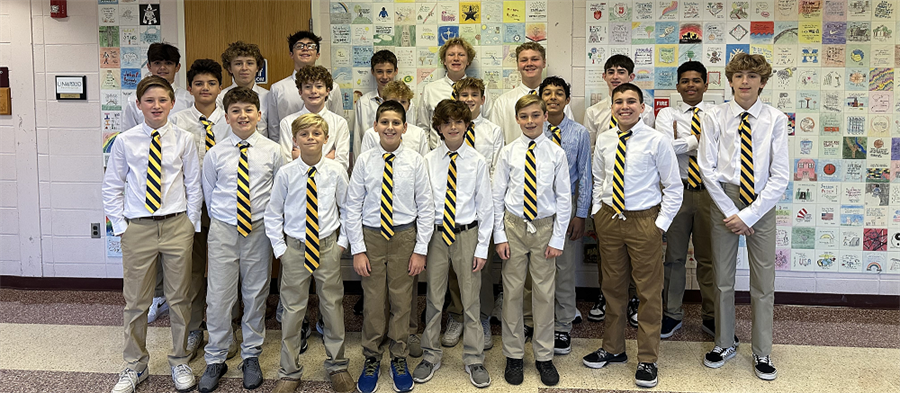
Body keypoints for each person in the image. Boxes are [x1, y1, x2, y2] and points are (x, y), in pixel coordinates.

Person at [103, 76, 202, 393]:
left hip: (176, 225)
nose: (156, 106)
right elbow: (112, 187)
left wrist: (190, 224)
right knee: (136, 301)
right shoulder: (125, 141)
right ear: (139, 104)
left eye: (162, 100)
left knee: (179, 298)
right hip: (139, 227)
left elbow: (194, 185)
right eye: (149, 100)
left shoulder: (185, 139)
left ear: (172, 103)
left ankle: (179, 360)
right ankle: (134, 365)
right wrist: (122, 227)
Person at [580, 83, 682, 389]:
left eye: (631, 101)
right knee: (612, 287)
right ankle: (613, 349)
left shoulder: (656, 141)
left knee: (649, 292)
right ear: (612, 107)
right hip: (610, 220)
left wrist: (659, 224)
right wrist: (599, 211)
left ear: (642, 107)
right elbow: (599, 177)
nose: (625, 106)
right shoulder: (606, 140)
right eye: (619, 101)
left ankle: (648, 359)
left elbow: (673, 187)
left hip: (644, 222)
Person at [698, 53, 788, 381]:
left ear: (762, 82)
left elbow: (780, 175)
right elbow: (707, 169)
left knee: (763, 282)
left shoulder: (775, 119)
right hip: (724, 200)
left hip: (761, 204)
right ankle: (724, 342)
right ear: (730, 80)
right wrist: (732, 212)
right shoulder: (714, 116)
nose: (745, 81)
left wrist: (749, 214)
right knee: (722, 278)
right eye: (739, 76)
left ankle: (762, 350)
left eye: (752, 76)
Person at [197, 87, 284, 392]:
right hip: (223, 229)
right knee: (219, 297)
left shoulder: (273, 151)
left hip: (258, 229)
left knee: (255, 293)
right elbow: (209, 194)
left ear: (259, 115)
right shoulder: (215, 153)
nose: (243, 116)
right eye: (236, 111)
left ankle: (251, 354)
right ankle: (216, 357)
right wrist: (226, 220)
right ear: (226, 116)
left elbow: (278, 193)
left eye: (249, 110)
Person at [346, 101, 434, 393]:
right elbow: (352, 207)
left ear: (405, 128)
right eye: (384, 122)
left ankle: (399, 357)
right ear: (375, 126)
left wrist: (420, 249)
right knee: (372, 300)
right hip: (371, 236)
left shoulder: (415, 161)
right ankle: (371, 357)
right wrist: (358, 249)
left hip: (404, 236)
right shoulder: (365, 160)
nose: (390, 127)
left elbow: (426, 207)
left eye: (396, 122)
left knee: (401, 299)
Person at [266, 114, 354, 393]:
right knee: (292, 309)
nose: (311, 138)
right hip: (295, 248)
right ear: (295, 140)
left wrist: (342, 244)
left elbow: (348, 210)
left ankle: (338, 365)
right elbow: (273, 213)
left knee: (332, 305)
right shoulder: (286, 173)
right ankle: (289, 371)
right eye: (304, 134)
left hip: (327, 245)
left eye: (317, 133)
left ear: (326, 138)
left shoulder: (336, 171)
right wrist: (280, 250)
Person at [413, 99, 493, 388]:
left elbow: (486, 208)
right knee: (434, 299)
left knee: (471, 301)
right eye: (447, 123)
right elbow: (423, 205)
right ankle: (431, 354)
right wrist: (420, 247)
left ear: (466, 126)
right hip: (436, 235)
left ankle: (473, 358)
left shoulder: (477, 161)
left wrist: (482, 247)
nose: (453, 127)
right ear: (438, 127)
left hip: (467, 234)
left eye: (458, 122)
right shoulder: (428, 161)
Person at [493, 95, 571, 387]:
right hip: (513, 226)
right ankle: (514, 355)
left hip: (544, 229)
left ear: (544, 116)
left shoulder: (555, 153)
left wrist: (558, 238)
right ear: (517, 119)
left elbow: (563, 198)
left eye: (535, 115)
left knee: (543, 293)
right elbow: (496, 196)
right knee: (512, 292)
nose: (530, 121)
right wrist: (499, 236)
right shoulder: (508, 152)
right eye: (524, 116)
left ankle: (543, 356)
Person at [582, 54, 652, 326]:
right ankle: (605, 295)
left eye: (621, 71)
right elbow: (590, 154)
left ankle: (634, 298)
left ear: (631, 77)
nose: (615, 76)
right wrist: (596, 204)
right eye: (610, 71)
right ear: (604, 77)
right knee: (607, 253)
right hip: (608, 196)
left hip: (637, 197)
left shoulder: (644, 111)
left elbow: (651, 150)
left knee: (637, 255)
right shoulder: (594, 112)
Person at [169, 59, 229, 360]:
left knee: (223, 270)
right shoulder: (178, 120)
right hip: (189, 204)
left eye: (212, 83)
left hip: (224, 205)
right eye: (199, 83)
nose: (205, 88)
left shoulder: (230, 118)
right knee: (192, 270)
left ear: (220, 87)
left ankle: (225, 329)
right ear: (190, 87)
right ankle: (194, 329)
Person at [653, 61, 716, 339]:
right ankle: (672, 314)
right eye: (685, 81)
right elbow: (666, 147)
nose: (691, 85)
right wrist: (699, 140)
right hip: (677, 193)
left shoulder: (717, 113)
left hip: (710, 194)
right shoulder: (667, 114)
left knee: (709, 259)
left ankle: (713, 317)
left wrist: (685, 141)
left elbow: (720, 149)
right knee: (674, 258)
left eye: (696, 80)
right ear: (678, 86)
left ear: (706, 84)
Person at [441, 77, 504, 350]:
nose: (468, 98)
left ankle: (482, 316)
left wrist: (486, 200)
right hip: (455, 207)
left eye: (474, 94)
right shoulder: (447, 128)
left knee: (483, 267)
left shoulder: (493, 131)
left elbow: (496, 169)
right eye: (463, 94)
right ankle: (456, 316)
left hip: (484, 206)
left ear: (482, 98)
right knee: (456, 269)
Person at [538, 76, 591, 355]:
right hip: (537, 205)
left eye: (559, 93)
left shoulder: (579, 133)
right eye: (547, 93)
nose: (553, 97)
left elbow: (585, 176)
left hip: (566, 203)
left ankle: (563, 325)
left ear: (568, 100)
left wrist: (580, 214)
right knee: (539, 266)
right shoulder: (534, 130)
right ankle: (540, 320)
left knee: (564, 267)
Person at [489, 42, 574, 144]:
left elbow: (570, 135)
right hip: (514, 159)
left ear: (544, 63)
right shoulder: (502, 102)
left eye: (535, 59)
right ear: (517, 65)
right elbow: (495, 142)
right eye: (524, 60)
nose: (529, 63)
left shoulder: (558, 102)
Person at [268, 31, 343, 142]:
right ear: (291, 54)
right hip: (288, 150)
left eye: (311, 46)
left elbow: (337, 122)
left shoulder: (333, 87)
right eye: (299, 46)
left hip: (325, 150)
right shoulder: (277, 88)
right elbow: (274, 129)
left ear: (318, 55)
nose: (305, 49)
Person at [417, 37, 492, 147]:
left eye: (461, 55)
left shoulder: (480, 90)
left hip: (473, 153)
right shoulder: (430, 89)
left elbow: (488, 121)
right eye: (451, 55)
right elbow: (423, 127)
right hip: (438, 156)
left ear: (468, 61)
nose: (456, 58)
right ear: (444, 60)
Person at [278, 66, 350, 171]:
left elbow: (342, 163)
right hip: (297, 183)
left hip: (329, 182)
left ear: (327, 91)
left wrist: (301, 158)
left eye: (319, 86)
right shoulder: (287, 122)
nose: (313, 91)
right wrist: (328, 159)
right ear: (300, 92)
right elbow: (285, 162)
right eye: (308, 87)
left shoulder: (339, 123)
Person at [353, 49, 418, 155]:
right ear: (372, 72)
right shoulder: (363, 102)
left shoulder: (407, 103)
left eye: (389, 71)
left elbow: (411, 134)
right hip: (371, 159)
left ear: (396, 71)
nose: (384, 77)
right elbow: (357, 138)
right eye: (379, 71)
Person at [122, 43, 195, 132]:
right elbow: (128, 134)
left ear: (177, 67)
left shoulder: (189, 99)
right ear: (149, 66)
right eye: (157, 63)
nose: (162, 67)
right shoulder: (134, 100)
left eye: (168, 63)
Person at [359, 81, 430, 158]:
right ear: (384, 103)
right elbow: (365, 162)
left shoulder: (418, 134)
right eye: (393, 101)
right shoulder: (371, 134)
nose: (398, 105)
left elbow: (424, 164)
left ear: (409, 105)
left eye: (403, 102)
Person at [217, 41, 270, 139]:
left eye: (250, 63)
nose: (244, 68)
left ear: (257, 67)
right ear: (230, 68)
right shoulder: (220, 97)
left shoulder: (268, 96)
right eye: (238, 64)